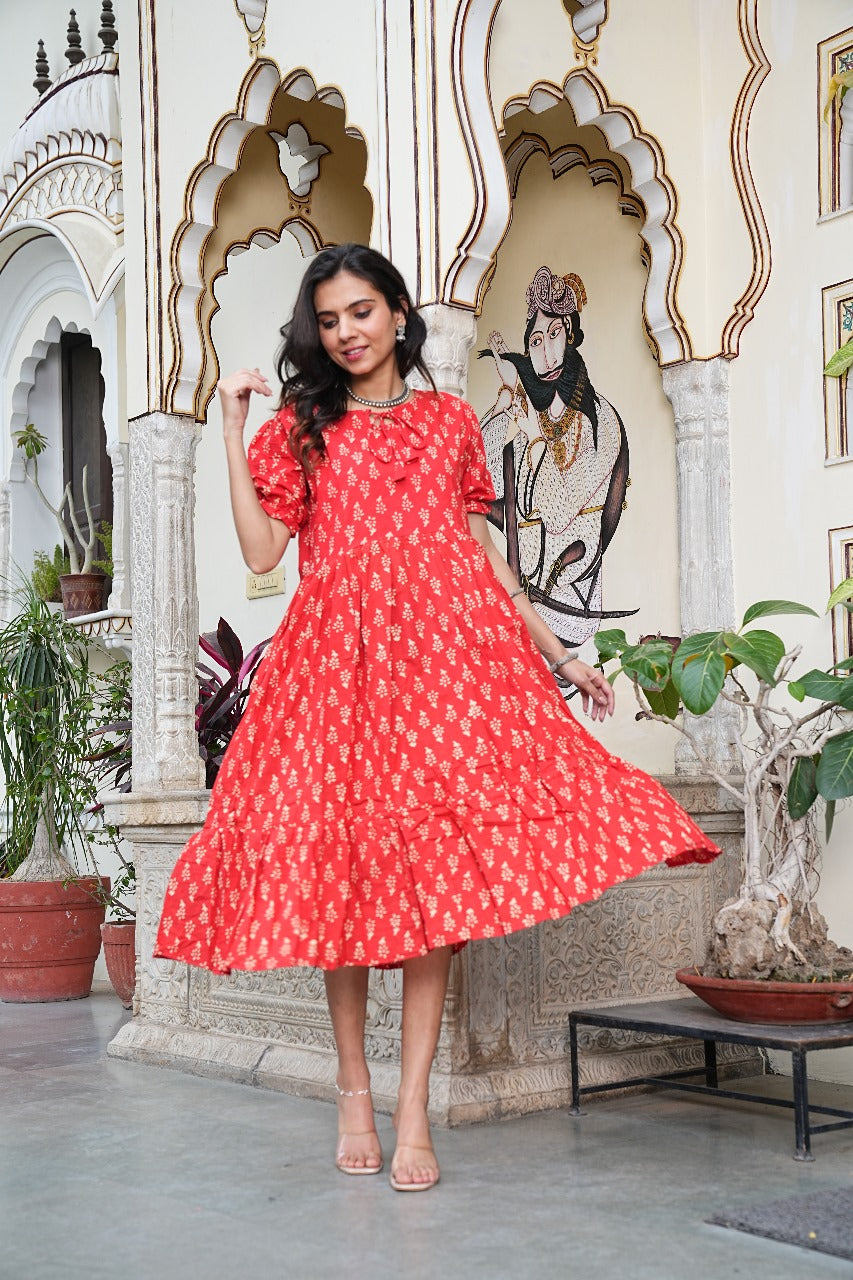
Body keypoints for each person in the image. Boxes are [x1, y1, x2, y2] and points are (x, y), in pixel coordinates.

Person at [155, 243, 720, 1193]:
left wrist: (561, 655)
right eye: (328, 320)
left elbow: (484, 558)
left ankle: (412, 1106)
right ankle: (353, 1093)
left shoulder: (450, 421)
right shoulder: (302, 427)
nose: (346, 333)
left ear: (397, 313)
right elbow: (260, 552)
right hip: (335, 671)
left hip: (440, 674)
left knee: (436, 889)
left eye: (361, 312)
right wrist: (231, 427)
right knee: (338, 880)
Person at [479, 266, 635, 648]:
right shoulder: (531, 417)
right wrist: (505, 399)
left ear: (570, 335)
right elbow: (481, 479)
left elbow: (559, 511)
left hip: (569, 609)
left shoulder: (599, 421)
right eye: (535, 341)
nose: (546, 354)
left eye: (553, 335)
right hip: (523, 606)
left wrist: (534, 435)